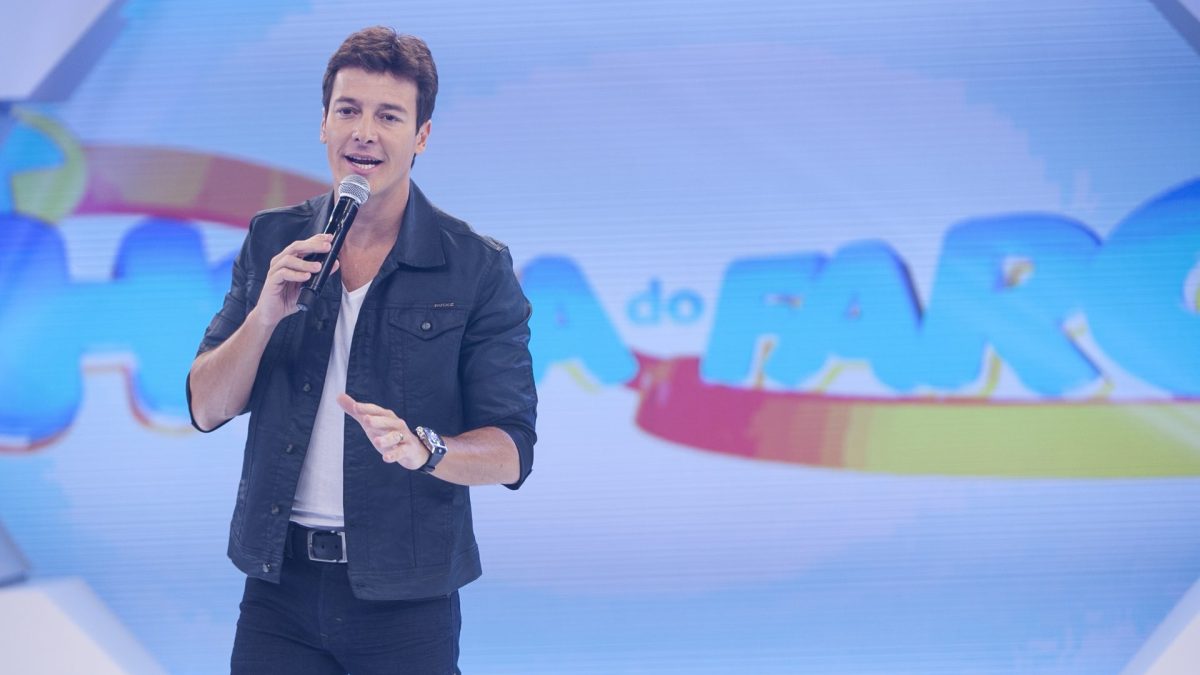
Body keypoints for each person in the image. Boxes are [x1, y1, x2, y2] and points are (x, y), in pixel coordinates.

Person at [186, 26, 537, 674]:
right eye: (348, 110)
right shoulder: (273, 239)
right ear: (324, 123)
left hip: (408, 596)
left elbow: (513, 449)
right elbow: (206, 407)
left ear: (421, 136)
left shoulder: (475, 266)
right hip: (279, 588)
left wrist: (427, 449)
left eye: (389, 116)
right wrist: (264, 316)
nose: (364, 133)